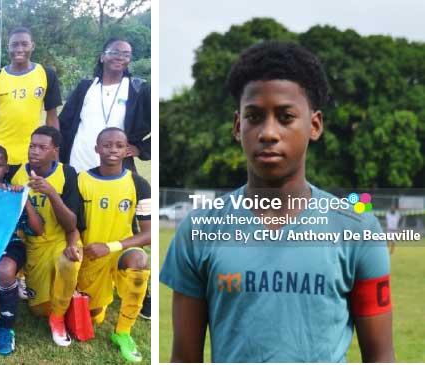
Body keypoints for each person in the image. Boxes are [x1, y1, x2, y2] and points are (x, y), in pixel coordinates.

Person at [160, 42, 394, 362]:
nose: (268, 132)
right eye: (254, 117)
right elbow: (184, 358)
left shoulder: (358, 229)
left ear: (314, 125)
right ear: (237, 125)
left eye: (285, 117)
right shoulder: (199, 230)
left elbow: (381, 357)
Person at [74, 128, 151, 362]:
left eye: (119, 145)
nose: (113, 150)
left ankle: (123, 332)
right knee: (94, 316)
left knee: (140, 261)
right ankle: (100, 302)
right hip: (89, 257)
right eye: (107, 145)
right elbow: (73, 224)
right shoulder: (81, 180)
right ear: (97, 149)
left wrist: (112, 246)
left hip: (119, 251)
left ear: (127, 150)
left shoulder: (138, 184)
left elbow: (149, 234)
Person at [9, 126, 83, 347]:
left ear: (55, 151)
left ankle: (58, 319)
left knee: (69, 262)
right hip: (33, 245)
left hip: (60, 238)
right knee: (39, 309)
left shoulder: (67, 173)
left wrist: (51, 192)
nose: (34, 152)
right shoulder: (18, 173)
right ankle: (30, 281)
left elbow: (72, 223)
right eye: (32, 146)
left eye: (42, 147)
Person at [0, 144, 45, 355]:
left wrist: (24, 199)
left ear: (6, 168)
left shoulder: (13, 192)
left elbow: (38, 229)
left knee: (4, 271)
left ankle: (6, 328)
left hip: (9, 244)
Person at [0, 27, 62, 178]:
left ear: (32, 46)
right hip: (1, 158)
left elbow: (52, 117)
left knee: (31, 200)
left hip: (34, 156)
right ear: (7, 47)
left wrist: (55, 152)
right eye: (14, 45)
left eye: (24, 44)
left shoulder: (46, 75)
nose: (19, 49)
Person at [59, 38, 151, 172]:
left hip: (116, 171)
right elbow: (63, 124)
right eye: (115, 52)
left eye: (126, 54)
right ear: (102, 57)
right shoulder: (85, 88)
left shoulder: (139, 90)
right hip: (77, 166)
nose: (120, 57)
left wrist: (141, 149)